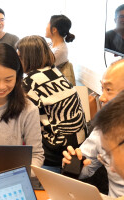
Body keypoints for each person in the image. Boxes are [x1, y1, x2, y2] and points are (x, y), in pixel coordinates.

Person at [17, 35, 87, 168]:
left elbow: (17, 117)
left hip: (57, 151)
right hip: (79, 146)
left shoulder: (29, 83)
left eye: (19, 57)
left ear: (27, 58)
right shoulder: (56, 73)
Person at [63, 59, 124, 198]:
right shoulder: (103, 128)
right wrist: (73, 164)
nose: (102, 98)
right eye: (102, 89)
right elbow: (86, 166)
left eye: (108, 90)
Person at [45, 14, 76, 85]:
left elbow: (43, 69)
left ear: (54, 30)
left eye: (47, 25)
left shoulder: (60, 51)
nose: (45, 28)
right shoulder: (50, 44)